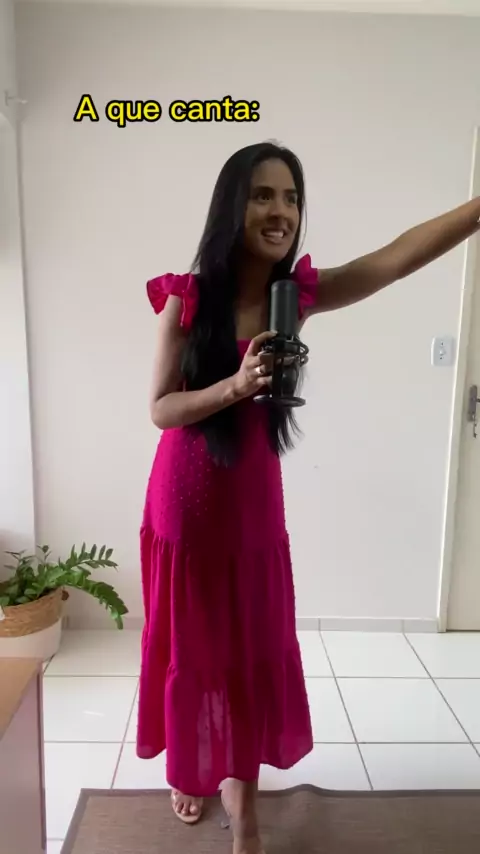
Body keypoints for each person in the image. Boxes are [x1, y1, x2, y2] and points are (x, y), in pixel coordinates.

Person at [137, 140, 480, 854]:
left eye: (291, 197)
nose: (281, 211)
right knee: (197, 650)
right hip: (186, 505)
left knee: (251, 650)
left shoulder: (294, 297)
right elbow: (161, 409)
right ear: (232, 206)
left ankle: (244, 804)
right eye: (263, 195)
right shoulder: (186, 296)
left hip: (254, 508)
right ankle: (195, 768)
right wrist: (235, 386)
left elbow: (395, 258)